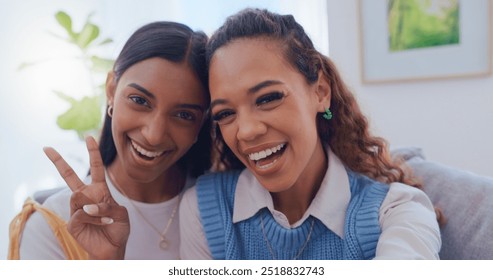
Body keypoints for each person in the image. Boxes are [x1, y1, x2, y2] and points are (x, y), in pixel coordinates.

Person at [179, 8, 442, 260]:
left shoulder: (397, 209)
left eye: (268, 98)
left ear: (321, 93)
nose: (246, 131)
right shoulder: (205, 210)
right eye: (225, 114)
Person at [9, 21, 211, 260]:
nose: (154, 134)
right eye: (140, 100)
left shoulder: (223, 211)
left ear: (202, 122)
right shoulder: (50, 225)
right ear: (111, 90)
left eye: (184, 115)